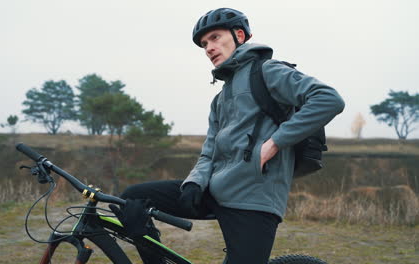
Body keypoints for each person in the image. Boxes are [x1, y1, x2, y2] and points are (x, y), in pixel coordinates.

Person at [117, 7, 345, 264]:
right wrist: (194, 182)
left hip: (254, 199)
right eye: (204, 44)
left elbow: (328, 99)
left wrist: (275, 142)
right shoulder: (220, 99)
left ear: (239, 35)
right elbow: (209, 152)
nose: (209, 48)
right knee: (132, 198)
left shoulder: (267, 71)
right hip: (216, 189)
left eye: (215, 38)